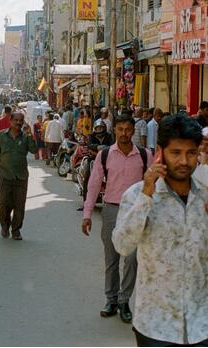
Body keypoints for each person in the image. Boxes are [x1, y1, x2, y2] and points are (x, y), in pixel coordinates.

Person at [112, 114, 208, 347]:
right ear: (161, 152)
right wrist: (147, 194)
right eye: (176, 153)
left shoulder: (205, 197)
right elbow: (123, 245)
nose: (184, 161)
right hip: (156, 327)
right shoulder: (137, 195)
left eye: (191, 153)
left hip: (201, 324)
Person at [82, 114, 153, 324]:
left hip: (135, 212)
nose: (124, 133)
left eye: (128, 129)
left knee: (131, 260)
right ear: (115, 131)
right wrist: (87, 214)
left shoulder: (144, 154)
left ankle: (124, 300)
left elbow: (153, 184)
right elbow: (94, 185)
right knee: (111, 259)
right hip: (112, 210)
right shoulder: (104, 155)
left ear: (133, 131)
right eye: (120, 129)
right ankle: (110, 299)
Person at [0, 111, 37, 240]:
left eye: (21, 120)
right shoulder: (1, 136)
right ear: (10, 121)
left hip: (21, 178)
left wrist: (30, 134)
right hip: (5, 177)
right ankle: (5, 227)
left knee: (19, 206)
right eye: (16, 120)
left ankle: (16, 230)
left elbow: (34, 150)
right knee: (4, 204)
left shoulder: (25, 137)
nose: (18, 123)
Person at [80, 120, 114, 205]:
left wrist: (105, 148)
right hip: (93, 158)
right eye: (97, 128)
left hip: (107, 159)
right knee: (87, 177)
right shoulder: (91, 135)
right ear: (95, 128)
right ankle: (85, 202)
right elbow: (89, 145)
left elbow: (113, 145)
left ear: (104, 128)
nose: (99, 129)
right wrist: (98, 147)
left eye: (101, 127)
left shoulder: (109, 136)